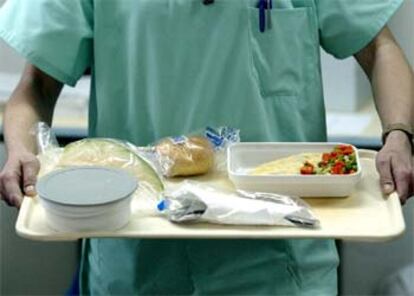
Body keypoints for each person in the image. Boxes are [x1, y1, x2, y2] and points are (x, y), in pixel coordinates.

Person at [0, 0, 413, 295]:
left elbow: (381, 49)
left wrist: (399, 134)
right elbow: (34, 88)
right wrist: (20, 149)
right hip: (135, 254)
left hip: (281, 261)